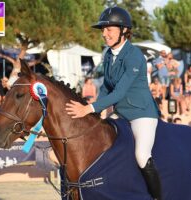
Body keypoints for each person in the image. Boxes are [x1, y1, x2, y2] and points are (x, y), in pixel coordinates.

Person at [65, 6, 162, 199]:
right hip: (121, 113)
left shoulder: (134, 56)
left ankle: (157, 197)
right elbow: (107, 87)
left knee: (141, 155)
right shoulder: (108, 55)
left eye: (109, 29)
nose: (104, 34)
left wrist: (88, 109)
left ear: (124, 30)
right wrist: (96, 111)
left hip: (142, 114)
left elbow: (120, 92)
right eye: (103, 30)